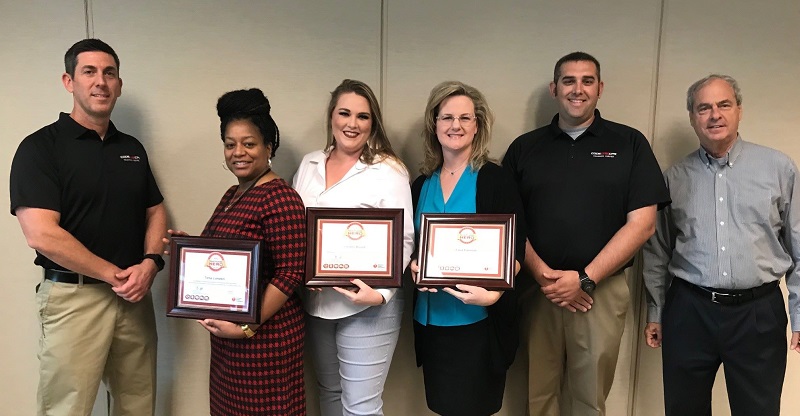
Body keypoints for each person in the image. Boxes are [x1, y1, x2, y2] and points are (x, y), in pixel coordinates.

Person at [502, 51, 671, 416]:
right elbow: (509, 224)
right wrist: (545, 277)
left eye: (587, 81)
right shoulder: (524, 148)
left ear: (600, 88)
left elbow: (642, 225)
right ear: (554, 88)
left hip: (602, 292)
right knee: (537, 395)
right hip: (538, 289)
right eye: (568, 80)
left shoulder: (629, 144)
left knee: (589, 398)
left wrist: (585, 279)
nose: (578, 89)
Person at [9, 39, 167, 416]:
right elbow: (41, 234)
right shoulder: (39, 148)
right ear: (69, 81)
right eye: (89, 72)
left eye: (109, 73)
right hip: (73, 300)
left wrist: (150, 263)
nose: (101, 82)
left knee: (137, 405)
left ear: (119, 84)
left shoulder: (132, 148)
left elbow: (156, 212)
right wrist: (115, 275)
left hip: (133, 300)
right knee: (66, 408)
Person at [643, 74, 800, 416]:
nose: (714, 114)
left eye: (723, 104)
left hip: (758, 313)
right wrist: (656, 312)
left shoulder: (779, 169)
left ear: (739, 111)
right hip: (690, 310)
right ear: (692, 118)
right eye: (704, 108)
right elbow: (657, 251)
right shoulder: (673, 179)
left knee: (758, 410)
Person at [167, 88, 308, 415]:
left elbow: (290, 273)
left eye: (249, 143)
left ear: (268, 147)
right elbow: (217, 252)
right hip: (229, 341)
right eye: (230, 144)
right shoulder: (233, 193)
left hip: (266, 341)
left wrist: (248, 325)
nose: (238, 152)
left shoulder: (280, 197)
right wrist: (186, 249)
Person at [292, 79, 414, 416]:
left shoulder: (389, 169)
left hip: (368, 305)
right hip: (317, 302)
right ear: (331, 117)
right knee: (329, 394)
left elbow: (404, 237)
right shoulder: (309, 163)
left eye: (363, 116)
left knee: (361, 408)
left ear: (372, 123)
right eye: (344, 113)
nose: (352, 123)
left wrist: (381, 293)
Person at [408, 81, 526, 416]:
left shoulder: (495, 179)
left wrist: (496, 294)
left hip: (479, 322)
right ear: (434, 124)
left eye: (465, 118)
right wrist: (412, 266)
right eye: (446, 117)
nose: (455, 126)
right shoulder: (421, 184)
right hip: (431, 322)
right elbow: (410, 245)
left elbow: (517, 246)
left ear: (478, 126)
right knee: (442, 407)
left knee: (476, 408)